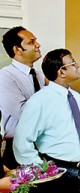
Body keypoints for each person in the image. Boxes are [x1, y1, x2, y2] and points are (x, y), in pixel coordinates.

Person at [13, 49, 80, 193]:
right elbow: (21, 141)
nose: (78, 66)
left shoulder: (76, 97)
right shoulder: (39, 101)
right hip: (57, 172)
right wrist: (42, 170)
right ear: (61, 72)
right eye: (73, 63)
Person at [0, 26, 45, 169]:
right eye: (31, 42)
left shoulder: (41, 75)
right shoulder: (5, 76)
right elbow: (24, 113)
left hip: (44, 144)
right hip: (17, 147)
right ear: (17, 50)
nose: (38, 45)